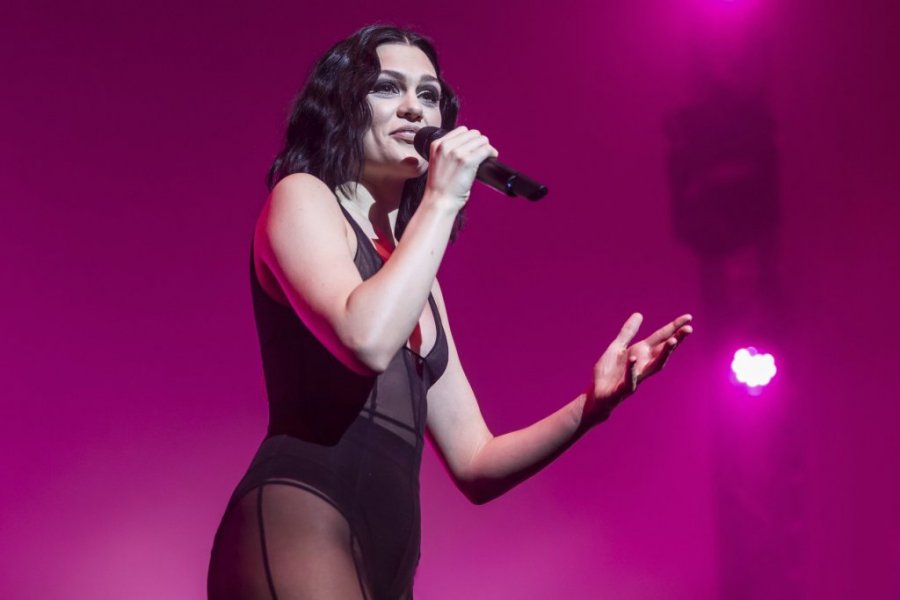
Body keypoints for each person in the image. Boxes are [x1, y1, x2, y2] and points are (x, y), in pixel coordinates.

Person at [207, 24, 693, 600]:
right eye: (387, 88)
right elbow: (365, 341)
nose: (415, 108)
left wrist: (592, 406)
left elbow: (476, 463)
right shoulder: (303, 196)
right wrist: (441, 198)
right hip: (302, 514)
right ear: (340, 107)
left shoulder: (417, 280)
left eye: (429, 94)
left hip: (391, 553)